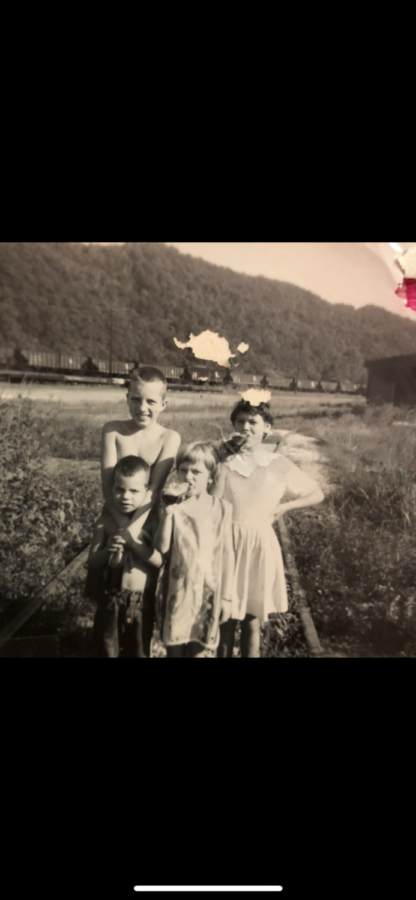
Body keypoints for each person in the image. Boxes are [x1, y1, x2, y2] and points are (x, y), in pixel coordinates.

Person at [212, 400, 324, 659]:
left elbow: (316, 493)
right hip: (228, 543)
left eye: (253, 422)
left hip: (259, 545)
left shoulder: (278, 462)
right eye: (240, 422)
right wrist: (221, 460)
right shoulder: (226, 461)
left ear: (267, 428)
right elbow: (213, 501)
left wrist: (284, 508)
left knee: (252, 620)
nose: (246, 428)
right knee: (224, 618)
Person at [100, 367, 181, 639]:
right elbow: (107, 486)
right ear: (127, 398)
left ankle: (138, 644)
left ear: (164, 404)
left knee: (139, 594)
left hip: (146, 522)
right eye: (136, 399)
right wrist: (122, 529)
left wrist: (132, 533)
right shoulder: (112, 431)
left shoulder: (170, 437)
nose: (142, 407)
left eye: (150, 402)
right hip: (114, 515)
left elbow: (154, 490)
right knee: (110, 591)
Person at [154, 443, 234, 658]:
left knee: (198, 650)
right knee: (175, 650)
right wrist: (168, 512)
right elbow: (161, 547)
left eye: (196, 472)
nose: (188, 476)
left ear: (210, 477)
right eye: (183, 470)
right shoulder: (174, 507)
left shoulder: (223, 508)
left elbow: (227, 553)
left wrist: (226, 597)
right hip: (177, 592)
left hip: (208, 592)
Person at [87, 456, 163, 658]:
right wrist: (107, 550)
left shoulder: (152, 523)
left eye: (134, 491)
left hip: (140, 601)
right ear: (111, 489)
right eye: (120, 489)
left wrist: (133, 544)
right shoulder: (105, 522)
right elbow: (91, 562)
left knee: (138, 651)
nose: (125, 497)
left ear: (147, 493)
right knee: (106, 650)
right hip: (110, 599)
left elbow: (158, 561)